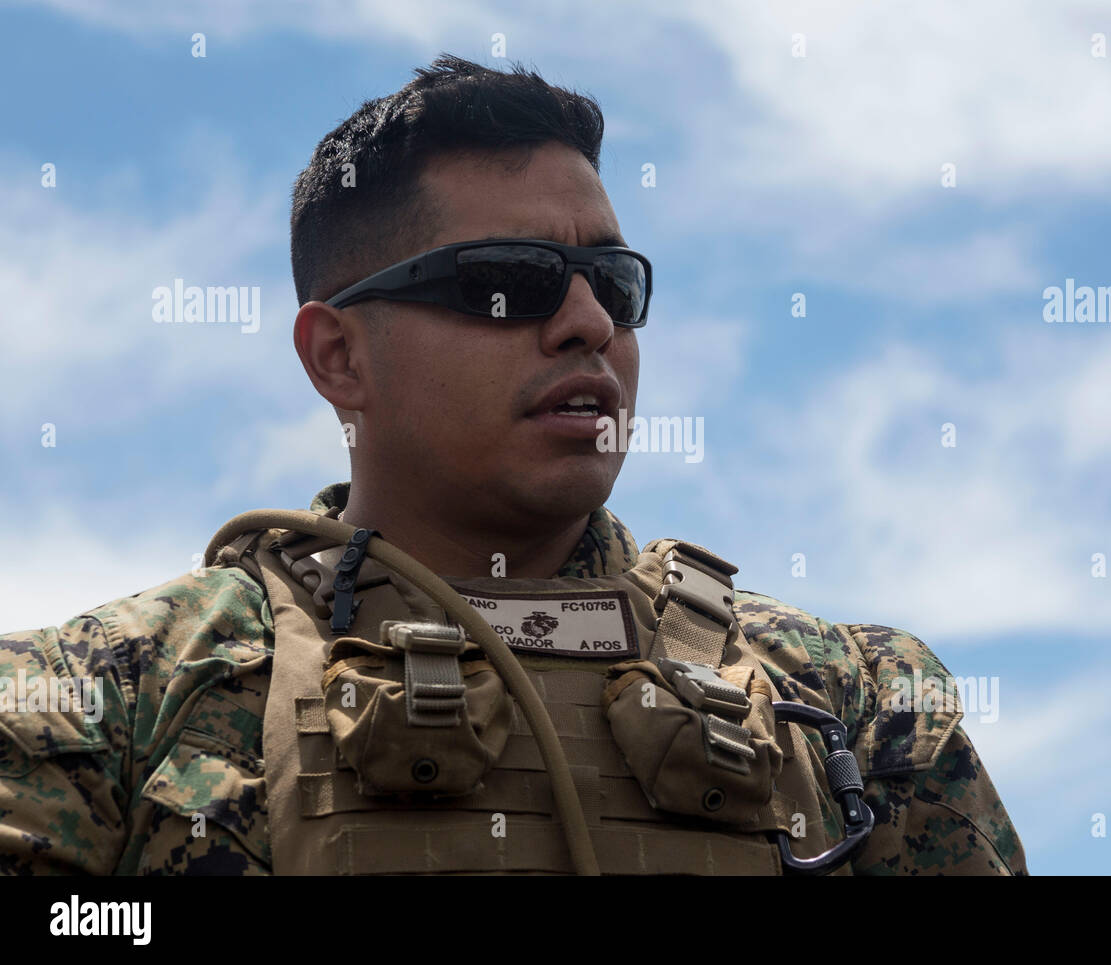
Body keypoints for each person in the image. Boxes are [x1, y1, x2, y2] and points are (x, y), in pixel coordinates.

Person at [0, 54, 1027, 876]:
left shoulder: (853, 698)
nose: (585, 323)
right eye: (507, 285)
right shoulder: (104, 701)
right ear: (338, 355)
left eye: (611, 284)